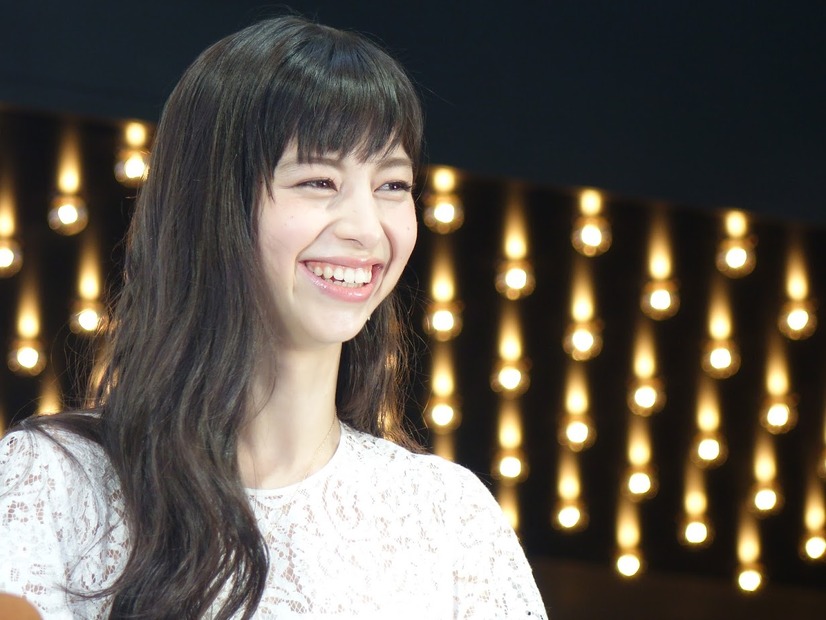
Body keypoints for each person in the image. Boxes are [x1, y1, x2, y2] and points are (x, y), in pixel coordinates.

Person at [0, 15, 547, 619]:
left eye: (392, 185)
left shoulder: (449, 518)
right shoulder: (55, 482)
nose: (367, 229)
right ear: (211, 203)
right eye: (318, 180)